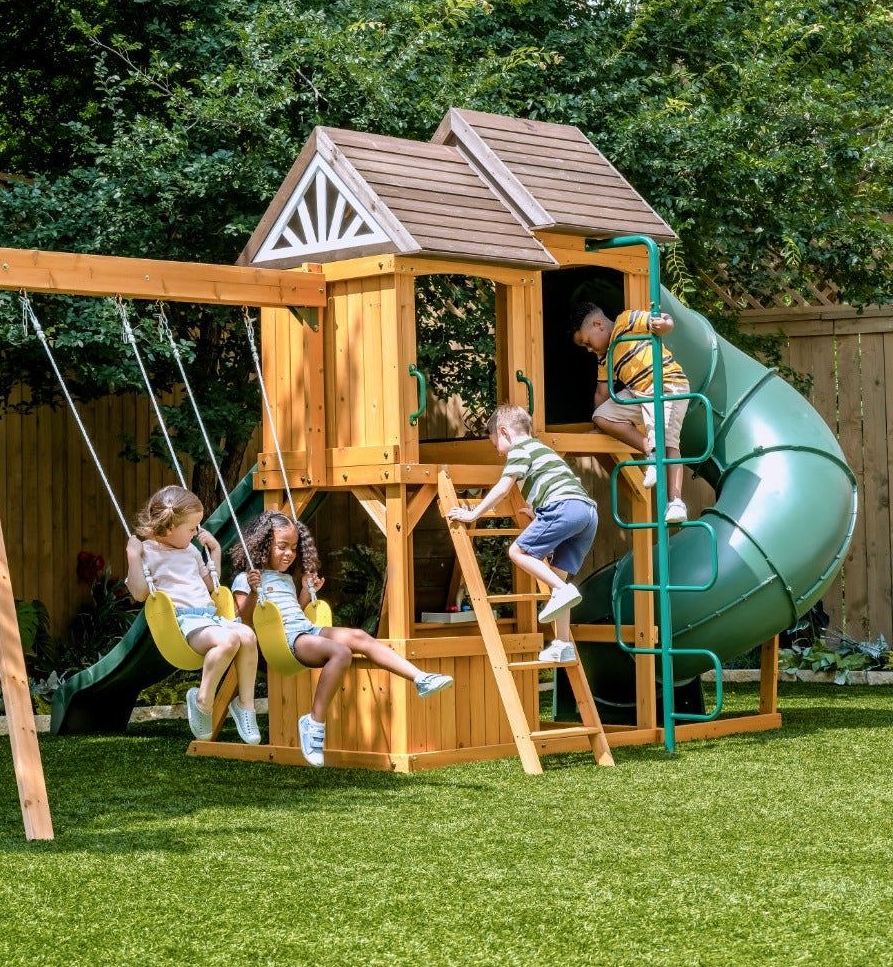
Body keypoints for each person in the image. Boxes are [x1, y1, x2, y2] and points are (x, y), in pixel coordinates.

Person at [229, 510, 453, 768]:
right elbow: (244, 620)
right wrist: (254, 590)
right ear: (264, 545)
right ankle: (314, 722)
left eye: (294, 548)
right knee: (340, 652)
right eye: (282, 547)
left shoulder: (286, 579)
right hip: (286, 641)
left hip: (306, 630)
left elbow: (296, 612)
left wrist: (306, 592)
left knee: (359, 636)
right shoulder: (245, 579)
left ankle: (420, 678)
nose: (289, 554)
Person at [446, 404, 598, 665]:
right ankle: (563, 644)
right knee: (556, 576)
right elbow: (557, 483)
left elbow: (503, 488)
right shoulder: (542, 449)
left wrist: (474, 514)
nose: (499, 452)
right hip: (587, 513)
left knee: (518, 552)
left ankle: (562, 591)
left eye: (496, 444)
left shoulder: (520, 449)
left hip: (563, 508)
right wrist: (538, 511)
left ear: (504, 431)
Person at [125, 485, 261, 745]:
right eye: (192, 528)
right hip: (184, 623)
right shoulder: (147, 551)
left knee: (247, 635)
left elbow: (211, 585)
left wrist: (215, 551)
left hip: (210, 618)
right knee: (229, 640)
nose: (197, 532)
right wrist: (133, 555)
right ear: (169, 527)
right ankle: (202, 700)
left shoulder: (190, 550)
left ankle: (245, 704)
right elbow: (140, 593)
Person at [569, 301, 690, 523]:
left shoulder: (626, 321)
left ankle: (675, 501)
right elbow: (602, 392)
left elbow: (664, 321)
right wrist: (598, 427)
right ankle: (651, 451)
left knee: (668, 440)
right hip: (639, 393)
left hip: (667, 385)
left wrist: (663, 326)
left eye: (587, 342)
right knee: (602, 415)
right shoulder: (605, 356)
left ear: (598, 325)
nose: (588, 349)